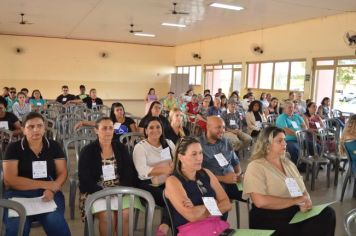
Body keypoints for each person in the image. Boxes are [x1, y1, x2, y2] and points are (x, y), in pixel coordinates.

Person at [243, 126, 336, 236]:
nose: (285, 144)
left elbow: (302, 190)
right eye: (279, 141)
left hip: (293, 211)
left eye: (285, 140)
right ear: (266, 144)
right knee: (306, 229)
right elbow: (260, 202)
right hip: (269, 215)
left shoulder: (288, 164)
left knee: (328, 214)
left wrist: (307, 200)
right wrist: (296, 201)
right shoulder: (256, 166)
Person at [2, 112, 71, 236]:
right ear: (23, 130)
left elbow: (62, 172)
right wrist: (47, 184)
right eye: (31, 127)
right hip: (18, 195)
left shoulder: (54, 146)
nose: (36, 130)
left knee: (56, 224)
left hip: (48, 194)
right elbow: (10, 180)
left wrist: (52, 189)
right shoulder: (13, 148)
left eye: (39, 126)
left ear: (44, 128)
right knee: (16, 229)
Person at [78, 117, 139, 236]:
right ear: (96, 130)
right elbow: (84, 179)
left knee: (125, 214)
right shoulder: (88, 151)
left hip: (120, 190)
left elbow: (129, 172)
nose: (108, 131)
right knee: (108, 215)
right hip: (96, 191)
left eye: (110, 128)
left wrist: (120, 190)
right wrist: (103, 192)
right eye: (104, 128)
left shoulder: (121, 148)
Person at [165, 137, 232, 235]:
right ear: (180, 157)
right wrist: (215, 203)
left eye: (200, 153)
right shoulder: (173, 181)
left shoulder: (207, 173)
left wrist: (200, 210)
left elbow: (227, 204)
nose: (199, 158)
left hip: (215, 226)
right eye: (194, 154)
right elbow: (191, 216)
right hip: (191, 230)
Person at [133, 117, 175, 235]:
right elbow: (142, 171)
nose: (155, 130)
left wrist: (171, 168)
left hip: (168, 180)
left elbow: (177, 161)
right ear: (146, 130)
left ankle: (166, 225)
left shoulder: (169, 143)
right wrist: (164, 169)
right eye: (151, 127)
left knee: (184, 193)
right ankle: (168, 227)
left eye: (158, 127)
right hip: (148, 183)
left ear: (162, 129)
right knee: (172, 199)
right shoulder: (140, 147)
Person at [199, 116, 244, 219]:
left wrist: (238, 175)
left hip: (232, 180)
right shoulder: (199, 144)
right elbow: (198, 173)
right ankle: (220, 225)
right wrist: (223, 179)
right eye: (218, 127)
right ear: (208, 127)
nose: (222, 131)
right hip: (212, 182)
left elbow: (235, 162)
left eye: (223, 127)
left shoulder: (226, 142)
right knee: (222, 200)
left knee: (253, 191)